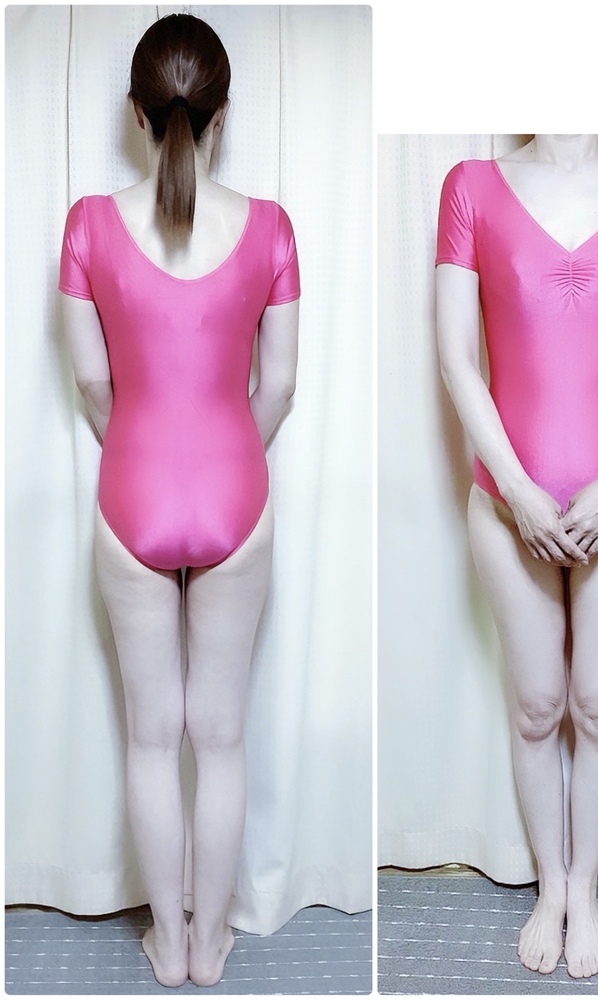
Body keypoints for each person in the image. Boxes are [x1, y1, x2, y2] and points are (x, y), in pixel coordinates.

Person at [59, 14, 300, 987]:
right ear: (222, 114)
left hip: (133, 494)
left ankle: (167, 944)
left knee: (152, 739)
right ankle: (212, 943)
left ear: (136, 111)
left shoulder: (86, 225)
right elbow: (280, 387)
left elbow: (91, 384)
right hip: (238, 492)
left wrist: (144, 451)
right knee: (223, 738)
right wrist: (227, 451)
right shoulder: (272, 227)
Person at [436, 134, 598, 979]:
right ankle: (550, 885)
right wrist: (516, 490)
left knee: (596, 705)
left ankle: (584, 889)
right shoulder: (470, 186)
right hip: (505, 501)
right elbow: (458, 360)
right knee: (535, 705)